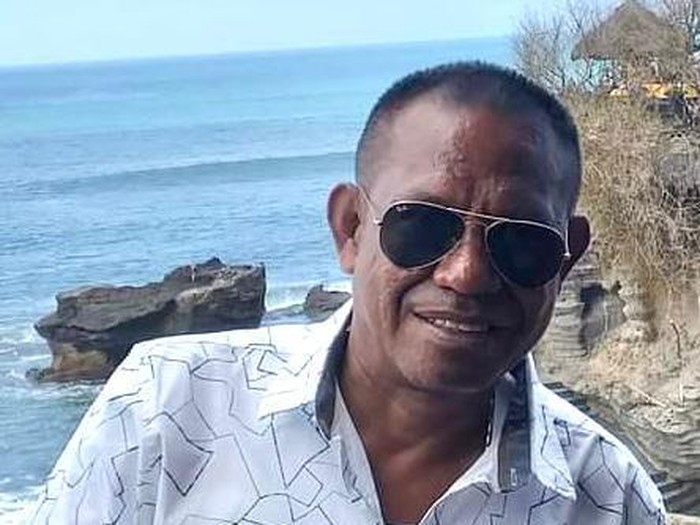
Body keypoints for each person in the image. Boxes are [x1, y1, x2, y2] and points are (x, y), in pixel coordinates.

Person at [29, 62, 666, 524]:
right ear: (351, 228)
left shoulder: (608, 499)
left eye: (520, 241)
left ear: (566, 258)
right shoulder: (164, 412)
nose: (466, 273)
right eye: (424, 226)